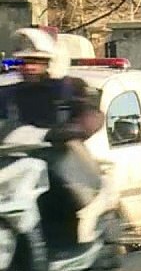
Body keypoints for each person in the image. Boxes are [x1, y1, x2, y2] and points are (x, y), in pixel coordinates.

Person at [0, 28, 105, 255]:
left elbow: (92, 115)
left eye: (36, 61)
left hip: (60, 157)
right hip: (19, 159)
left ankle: (69, 243)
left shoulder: (69, 87)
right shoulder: (9, 93)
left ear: (50, 62)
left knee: (58, 191)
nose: (29, 67)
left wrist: (70, 130)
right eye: (24, 61)